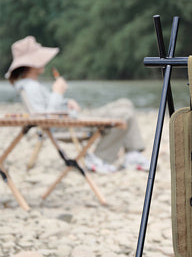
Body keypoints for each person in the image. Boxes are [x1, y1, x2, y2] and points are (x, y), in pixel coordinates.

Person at [5, 36, 150, 173]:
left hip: (72, 120)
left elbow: (48, 107)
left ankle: (133, 154)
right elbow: (44, 118)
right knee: (124, 114)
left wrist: (66, 101)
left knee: (125, 103)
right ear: (32, 64)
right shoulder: (31, 87)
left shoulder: (31, 85)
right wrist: (57, 92)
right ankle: (101, 158)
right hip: (69, 126)